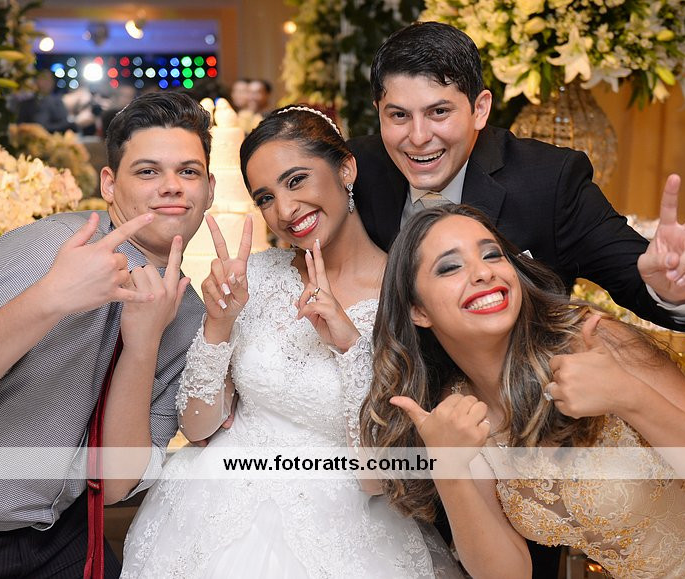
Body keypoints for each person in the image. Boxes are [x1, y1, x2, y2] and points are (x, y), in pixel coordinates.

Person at [121, 106, 461, 578]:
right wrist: (219, 323)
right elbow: (197, 428)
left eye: (297, 180)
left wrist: (350, 346)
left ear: (346, 169)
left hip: (346, 529)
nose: (284, 211)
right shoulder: (256, 277)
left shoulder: (406, 296)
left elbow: (379, 475)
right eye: (265, 197)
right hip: (214, 508)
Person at [360, 204, 685, 578]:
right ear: (418, 311)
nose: (484, 272)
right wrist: (448, 469)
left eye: (492, 255)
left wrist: (628, 395)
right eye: (450, 267)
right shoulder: (458, 412)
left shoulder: (594, 340)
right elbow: (509, 574)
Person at [0, 91, 214, 578]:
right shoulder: (51, 245)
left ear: (209, 189)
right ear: (109, 184)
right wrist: (50, 298)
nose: (171, 186)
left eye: (188, 171)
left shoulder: (187, 314)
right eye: (148, 171)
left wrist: (143, 344)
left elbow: (116, 482)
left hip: (61, 535)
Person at [348, 21, 685, 341]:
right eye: (399, 116)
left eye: (439, 112)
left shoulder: (549, 182)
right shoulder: (356, 170)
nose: (417, 137)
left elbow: (638, 277)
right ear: (378, 112)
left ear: (480, 109)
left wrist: (674, 292)